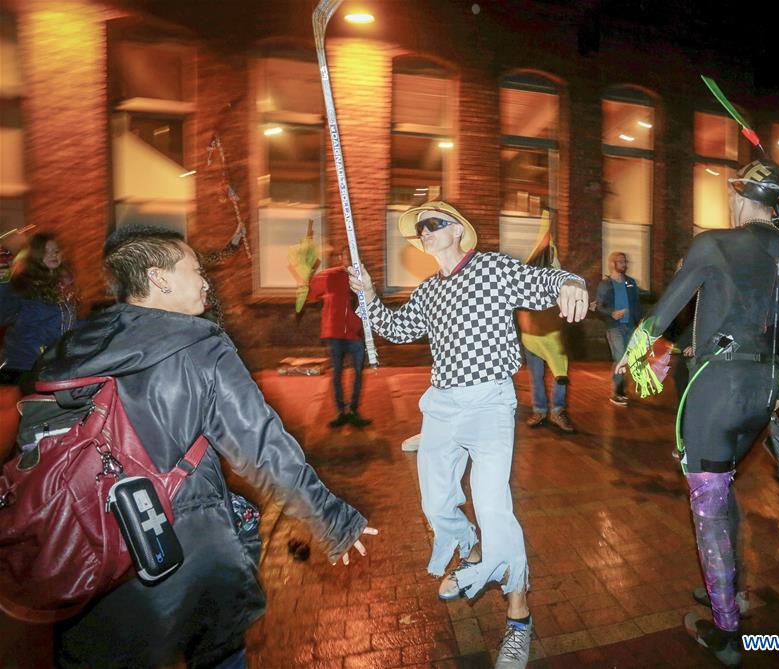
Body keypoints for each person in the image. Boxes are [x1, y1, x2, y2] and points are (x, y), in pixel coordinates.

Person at [36, 224, 375, 669]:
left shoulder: (71, 347)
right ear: (160, 279)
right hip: (181, 558)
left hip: (89, 563)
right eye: (195, 270)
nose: (205, 280)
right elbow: (262, 448)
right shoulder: (199, 347)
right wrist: (333, 521)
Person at [348, 201, 588, 669]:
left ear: (458, 231)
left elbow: (545, 282)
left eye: (433, 223)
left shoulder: (493, 268)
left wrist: (572, 282)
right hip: (441, 403)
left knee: (493, 504)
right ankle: (474, 553)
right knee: (436, 503)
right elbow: (397, 329)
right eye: (420, 228)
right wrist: (370, 296)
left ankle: (519, 616)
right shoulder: (428, 291)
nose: (424, 231)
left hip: (490, 404)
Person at [618, 159, 779, 667]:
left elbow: (659, 317)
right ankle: (727, 586)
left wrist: (633, 360)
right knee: (725, 484)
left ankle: (727, 630)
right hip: (761, 395)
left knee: (708, 503)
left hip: (714, 391)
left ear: (739, 197)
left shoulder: (713, 243)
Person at [519, 212, 575, 433]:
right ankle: (540, 410)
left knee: (561, 375)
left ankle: (558, 411)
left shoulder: (558, 276)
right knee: (536, 376)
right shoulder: (526, 273)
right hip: (531, 334)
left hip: (553, 335)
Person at [306, 245, 371, 428]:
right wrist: (308, 270)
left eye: (353, 255)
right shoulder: (329, 276)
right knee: (337, 373)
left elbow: (370, 302)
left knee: (358, 373)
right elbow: (310, 293)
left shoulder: (362, 277)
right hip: (334, 333)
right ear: (341, 258)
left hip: (355, 334)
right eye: (345, 255)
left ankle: (354, 411)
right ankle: (341, 412)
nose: (349, 258)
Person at [0, 234, 78, 385]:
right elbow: (3, 313)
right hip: (26, 365)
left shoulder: (63, 285)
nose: (53, 254)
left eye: (56, 250)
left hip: (53, 362)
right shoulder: (24, 285)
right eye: (46, 251)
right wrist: (3, 284)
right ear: (36, 255)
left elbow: (67, 324)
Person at [595, 251, 641, 406]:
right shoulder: (606, 284)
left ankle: (621, 390)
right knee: (620, 357)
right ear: (613, 264)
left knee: (626, 359)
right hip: (614, 327)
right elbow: (599, 306)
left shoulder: (631, 282)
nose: (624, 264)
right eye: (620, 261)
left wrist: (639, 321)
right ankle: (615, 392)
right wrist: (611, 313)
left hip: (630, 326)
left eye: (625, 261)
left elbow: (636, 304)